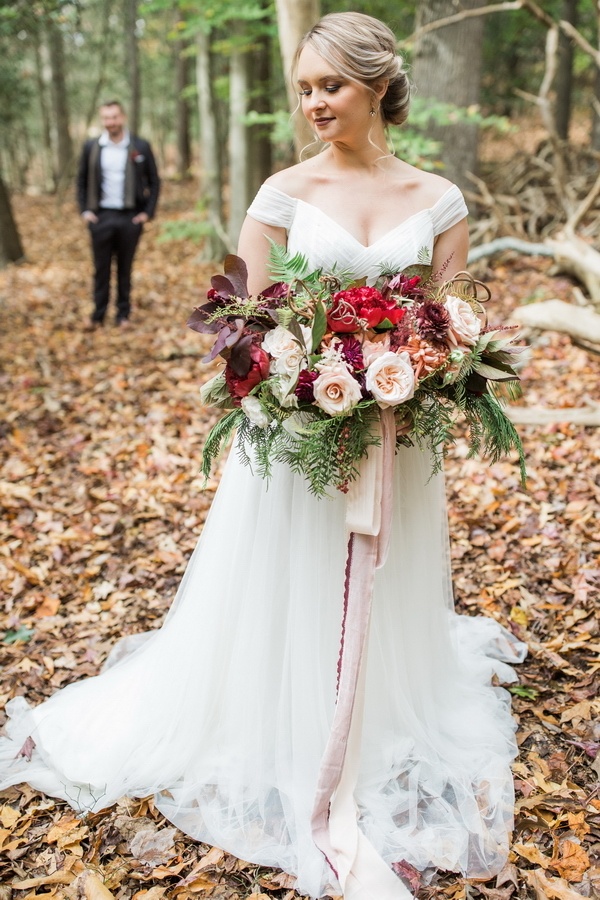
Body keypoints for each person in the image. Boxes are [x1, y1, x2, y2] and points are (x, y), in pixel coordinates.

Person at [0, 14, 526, 900]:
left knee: (377, 590)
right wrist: (299, 373)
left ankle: (370, 720)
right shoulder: (282, 192)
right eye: (304, 88)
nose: (315, 103)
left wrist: (412, 376)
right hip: (295, 441)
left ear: (377, 86)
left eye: (332, 86)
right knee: (293, 577)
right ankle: (284, 717)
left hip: (393, 440)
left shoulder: (439, 200)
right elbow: (244, 329)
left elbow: (448, 325)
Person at [76, 100, 160, 330]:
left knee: (125, 268)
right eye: (106, 118)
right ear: (102, 120)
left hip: (130, 217)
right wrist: (85, 211)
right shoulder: (92, 147)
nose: (110, 122)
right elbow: (81, 181)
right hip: (100, 216)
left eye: (114, 117)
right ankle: (97, 315)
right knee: (101, 269)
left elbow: (154, 181)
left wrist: (146, 213)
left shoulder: (139, 146)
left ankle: (123, 315)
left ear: (122, 118)